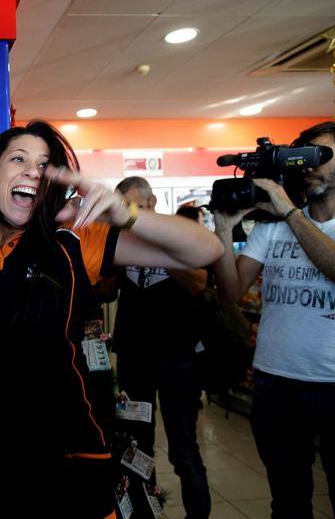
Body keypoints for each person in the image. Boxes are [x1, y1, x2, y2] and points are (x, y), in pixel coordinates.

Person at [0, 123, 224, 518]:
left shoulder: (73, 240)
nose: (32, 171)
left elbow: (204, 250)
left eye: (44, 165)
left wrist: (125, 213)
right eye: (18, 159)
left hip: (67, 459)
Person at [211, 121, 335, 519]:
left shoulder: (291, 219)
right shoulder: (271, 229)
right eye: (302, 156)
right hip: (277, 382)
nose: (308, 166)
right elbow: (230, 294)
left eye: (320, 155)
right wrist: (224, 227)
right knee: (288, 501)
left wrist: (289, 210)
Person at [111, 178, 211, 518]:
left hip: (177, 357)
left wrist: (157, 245)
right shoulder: (122, 238)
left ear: (154, 202)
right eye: (125, 209)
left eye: (137, 207)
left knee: (184, 449)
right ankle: (143, 512)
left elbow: (198, 283)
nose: (132, 214)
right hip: (134, 355)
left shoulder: (178, 234)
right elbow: (108, 291)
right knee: (137, 445)